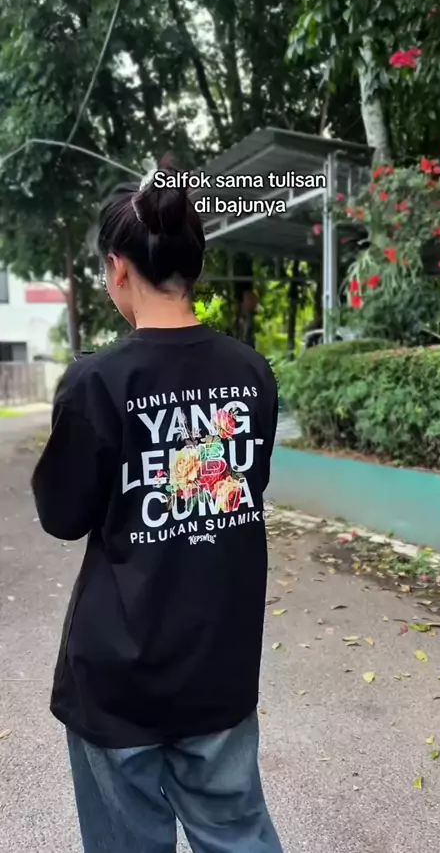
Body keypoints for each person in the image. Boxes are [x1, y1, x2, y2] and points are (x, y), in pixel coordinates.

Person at [31, 156, 281, 853]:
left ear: (118, 269)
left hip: (117, 681)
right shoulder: (251, 373)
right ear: (192, 263)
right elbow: (243, 491)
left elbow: (62, 515)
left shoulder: (96, 382)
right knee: (240, 838)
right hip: (219, 666)